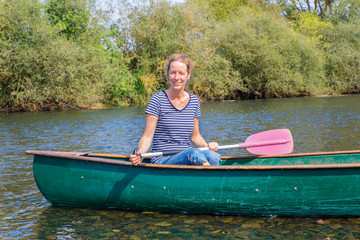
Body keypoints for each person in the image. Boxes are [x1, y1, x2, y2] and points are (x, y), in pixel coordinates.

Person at [130, 54, 220, 166]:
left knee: (214, 156)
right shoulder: (157, 99)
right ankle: (211, 180)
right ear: (168, 74)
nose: (176, 77)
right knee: (193, 153)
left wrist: (208, 146)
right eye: (173, 72)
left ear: (188, 75)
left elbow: (195, 136)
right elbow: (147, 136)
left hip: (189, 155)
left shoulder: (194, 101)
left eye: (181, 73)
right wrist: (140, 153)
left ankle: (207, 179)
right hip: (163, 160)